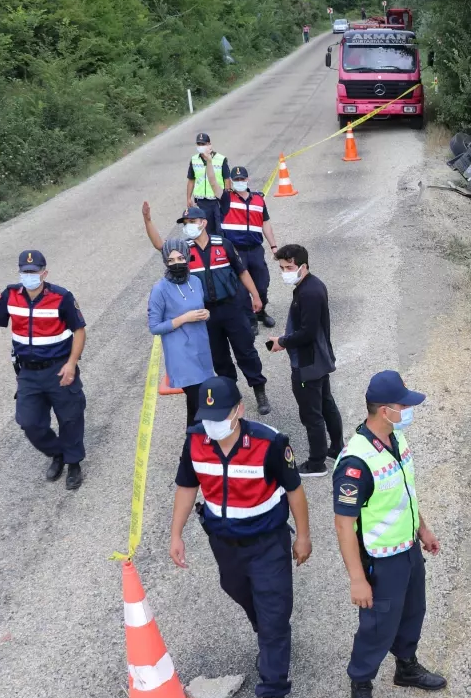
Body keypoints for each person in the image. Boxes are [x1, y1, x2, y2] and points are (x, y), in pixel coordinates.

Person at [169, 377, 311, 698]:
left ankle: (273, 697)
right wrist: (176, 533)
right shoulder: (196, 440)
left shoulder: (270, 443)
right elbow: (188, 484)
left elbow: (294, 491)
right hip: (224, 543)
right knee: (237, 590)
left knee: (275, 615)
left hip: (267, 544)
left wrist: (304, 536)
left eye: (221, 415)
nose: (212, 424)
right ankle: (268, 632)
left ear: (239, 412)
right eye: (207, 416)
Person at [332, 370, 446, 698]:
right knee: (378, 625)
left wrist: (422, 528)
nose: (408, 410)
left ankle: (406, 667)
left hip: (408, 548)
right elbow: (343, 524)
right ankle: (361, 680)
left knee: (413, 612)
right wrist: (356, 579)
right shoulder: (355, 463)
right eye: (403, 405)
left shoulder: (396, 438)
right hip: (381, 561)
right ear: (384, 410)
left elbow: (404, 491)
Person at [142, 201, 271, 414]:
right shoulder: (184, 250)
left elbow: (242, 272)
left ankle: (259, 390)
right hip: (205, 314)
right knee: (219, 358)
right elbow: (160, 245)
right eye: (185, 223)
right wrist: (148, 221)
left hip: (232, 308)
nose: (188, 226)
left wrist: (255, 296)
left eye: (192, 222)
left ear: (203, 222)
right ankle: (231, 396)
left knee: (245, 351)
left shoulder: (223, 244)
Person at [0, 250, 87, 490]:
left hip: (59, 367)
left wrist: (72, 363)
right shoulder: (9, 295)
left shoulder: (62, 297)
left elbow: (79, 330)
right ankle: (58, 452)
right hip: (28, 372)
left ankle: (73, 462)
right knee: (29, 421)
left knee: (70, 416)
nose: (29, 276)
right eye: (25, 272)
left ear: (44, 273)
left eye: (34, 272)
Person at [267, 244, 342, 475]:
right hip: (320, 359)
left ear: (303, 266)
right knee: (326, 403)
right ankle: (337, 448)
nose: (285, 272)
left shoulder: (308, 292)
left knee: (312, 414)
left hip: (307, 363)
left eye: (289, 267)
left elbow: (307, 332)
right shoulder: (312, 285)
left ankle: (317, 462)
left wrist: (282, 341)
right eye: (282, 268)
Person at [148, 239, 215, 427]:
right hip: (181, 356)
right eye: (171, 260)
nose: (176, 263)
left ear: (187, 257)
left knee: (195, 409)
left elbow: (200, 309)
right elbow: (154, 327)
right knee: (204, 404)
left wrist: (206, 314)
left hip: (201, 350)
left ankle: (190, 452)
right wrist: (183, 318)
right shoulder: (159, 289)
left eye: (180, 258)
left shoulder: (195, 281)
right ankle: (204, 448)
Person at [219, 165, 279, 333]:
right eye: (236, 179)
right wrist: (209, 161)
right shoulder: (226, 198)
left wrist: (274, 247)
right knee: (242, 288)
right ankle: (250, 319)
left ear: (247, 179)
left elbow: (265, 223)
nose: (239, 182)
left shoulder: (259, 200)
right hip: (236, 250)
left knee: (262, 282)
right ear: (231, 181)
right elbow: (213, 182)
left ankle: (261, 311)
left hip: (255, 248)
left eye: (242, 179)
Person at [187, 132, 231, 235]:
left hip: (218, 200)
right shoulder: (194, 160)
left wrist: (228, 197)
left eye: (203, 144)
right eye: (199, 144)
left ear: (209, 144)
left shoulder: (221, 159)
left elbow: (227, 179)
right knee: (206, 230)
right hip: (202, 201)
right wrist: (188, 198)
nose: (201, 147)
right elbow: (191, 180)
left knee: (221, 229)